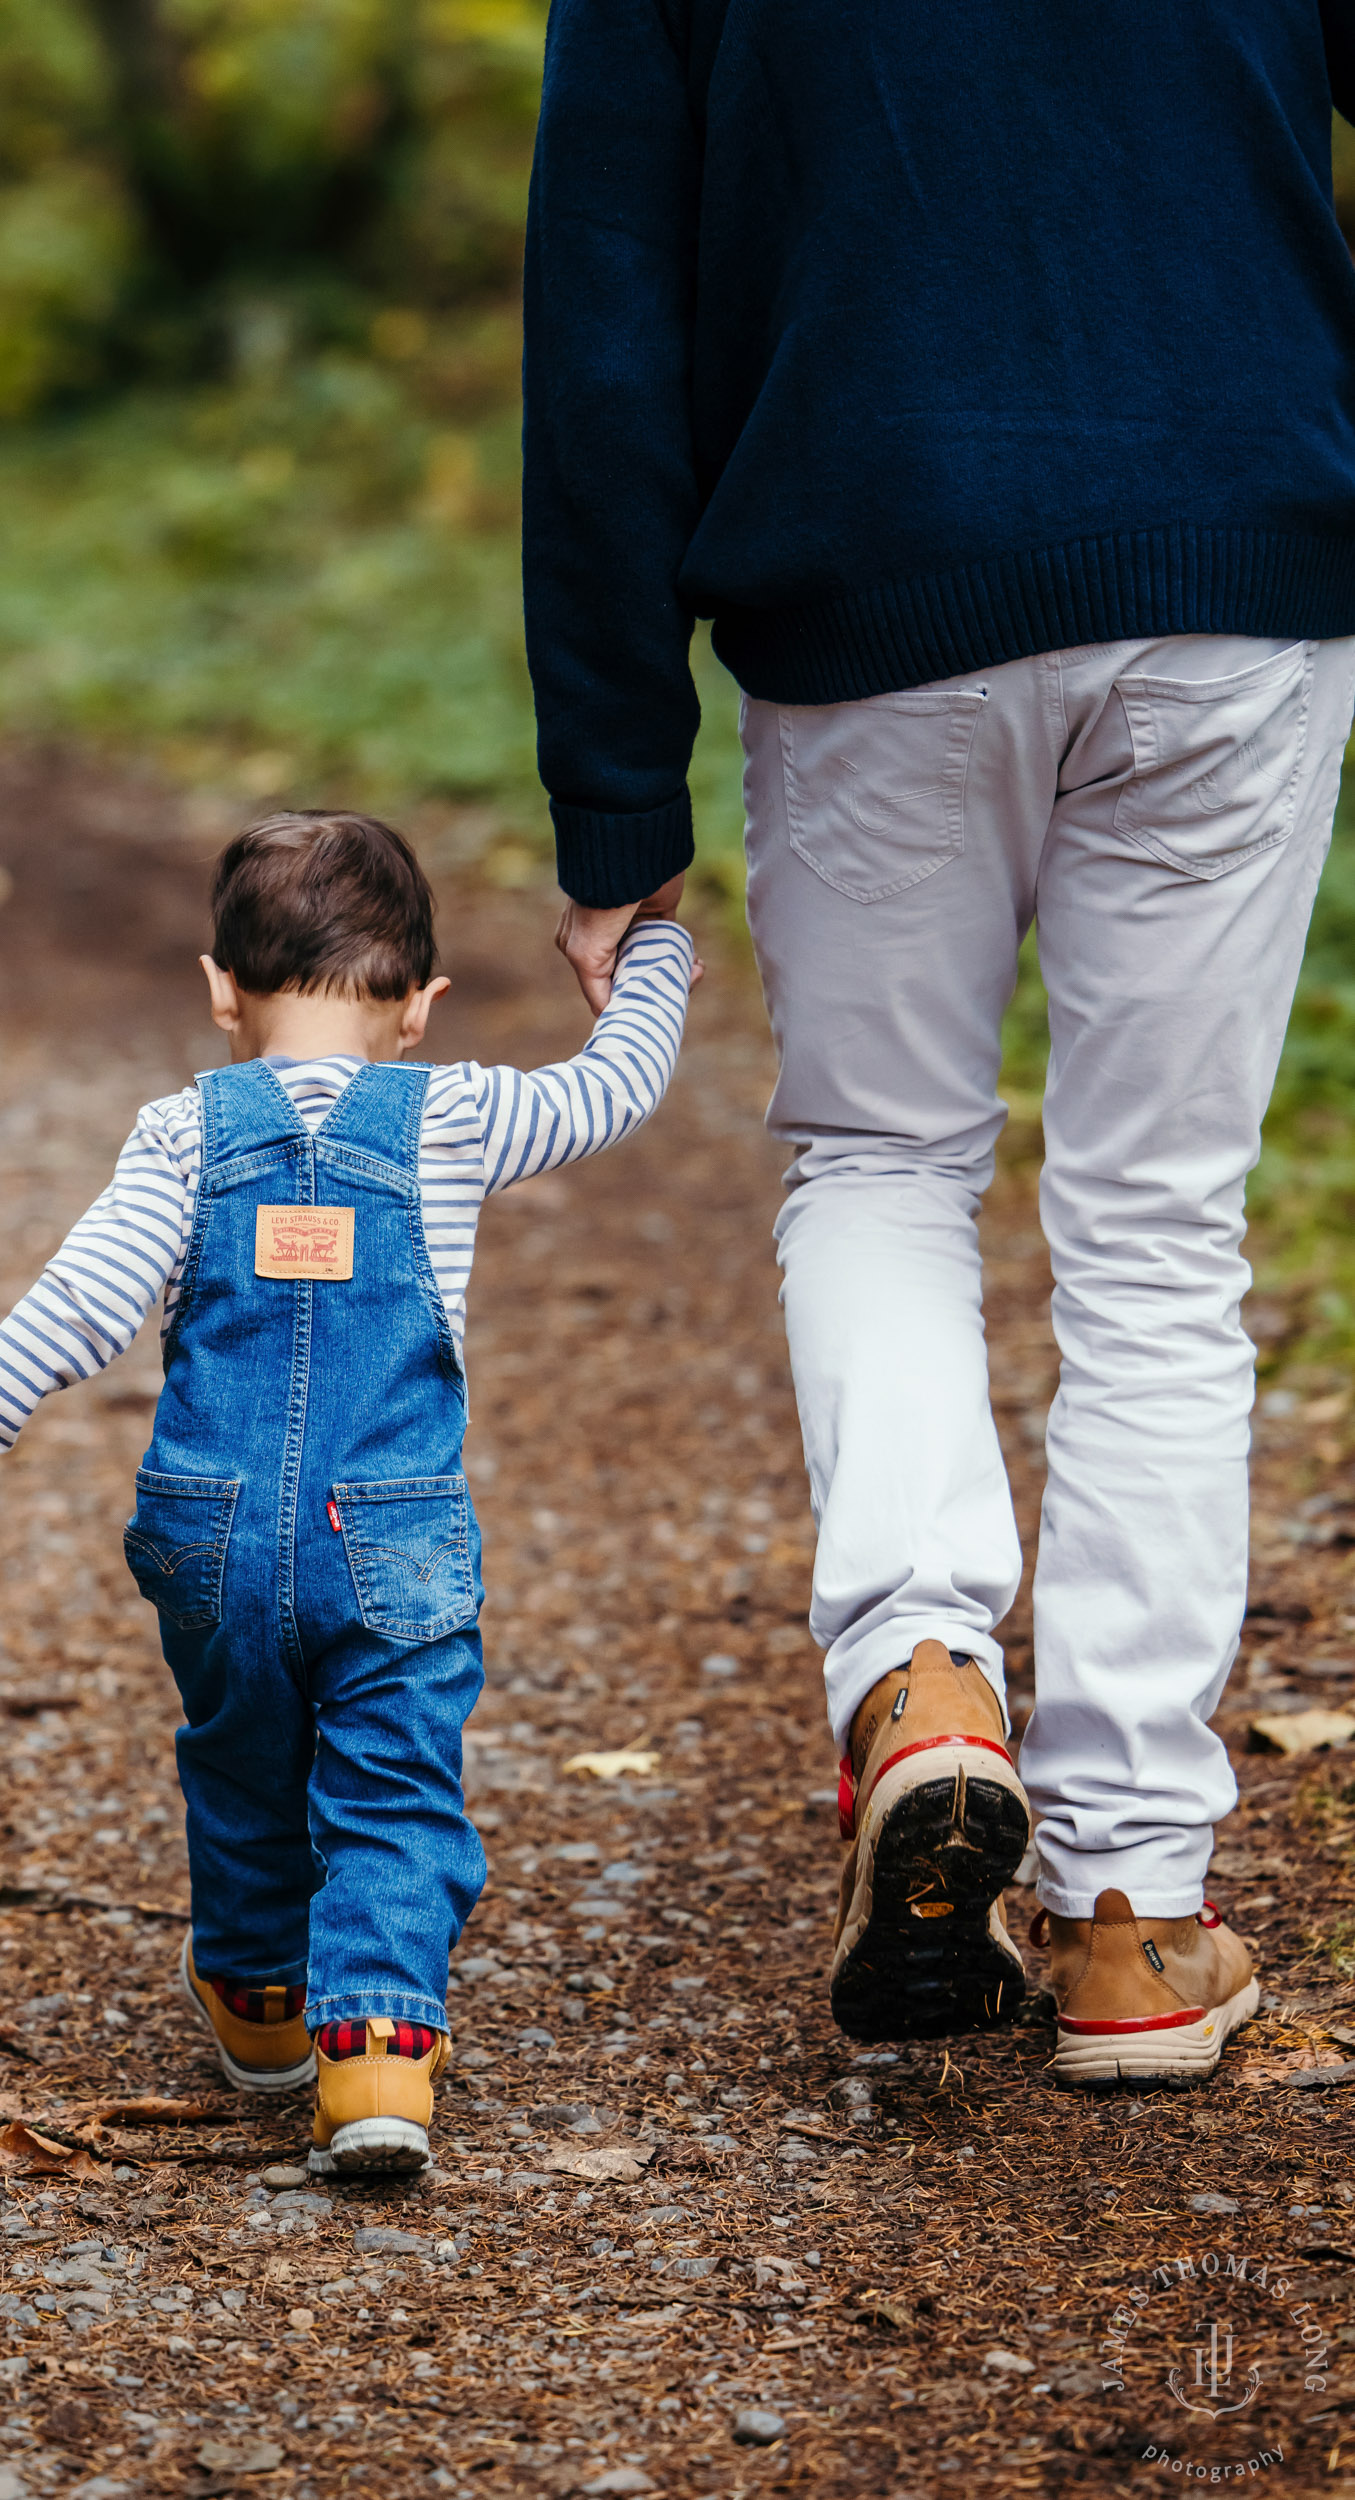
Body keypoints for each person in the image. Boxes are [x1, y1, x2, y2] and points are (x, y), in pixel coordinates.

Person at [522, 1, 1355, 2083]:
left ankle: (919, 1676)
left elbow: (608, 290)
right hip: (1241, 543)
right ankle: (1137, 1917)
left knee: (883, 1160)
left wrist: (617, 782)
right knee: (1160, 1221)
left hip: (874, 565)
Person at [0, 811, 696, 2171]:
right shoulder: (460, 1113)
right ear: (422, 1008)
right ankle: (377, 2057)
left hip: (209, 1536)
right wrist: (653, 941)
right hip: (394, 1539)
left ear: (222, 993)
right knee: (392, 1785)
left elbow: (83, 1304)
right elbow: (617, 1083)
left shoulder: (181, 1134)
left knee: (240, 1753)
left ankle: (263, 2001)